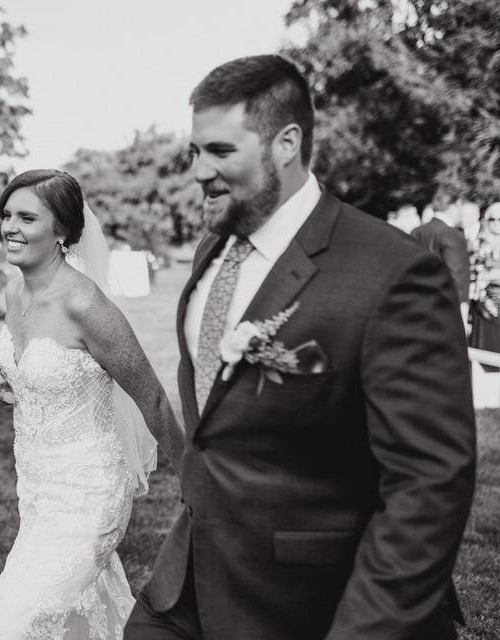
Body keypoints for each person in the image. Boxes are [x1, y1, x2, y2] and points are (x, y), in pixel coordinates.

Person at [125, 54, 477, 640]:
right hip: (186, 584)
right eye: (194, 151)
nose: (198, 171)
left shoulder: (390, 273)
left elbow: (430, 484)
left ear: (286, 143)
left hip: (307, 602)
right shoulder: (215, 248)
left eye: (220, 151)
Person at [0, 169, 185, 639]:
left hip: (89, 493)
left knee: (7, 628)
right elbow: (27, 385)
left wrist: (197, 483)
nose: (10, 227)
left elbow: (155, 400)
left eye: (27, 217)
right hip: (37, 490)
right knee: (85, 614)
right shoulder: (14, 291)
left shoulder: (87, 306)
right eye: (7, 215)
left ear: (63, 230)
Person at [411, 198, 470, 326]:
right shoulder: (452, 234)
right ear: (454, 206)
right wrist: (461, 315)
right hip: (443, 308)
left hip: (416, 303)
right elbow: (456, 277)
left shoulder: (417, 231)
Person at [470, 202, 500, 368]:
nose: (496, 223)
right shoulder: (481, 242)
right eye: (492, 219)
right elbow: (478, 272)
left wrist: (492, 275)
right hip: (485, 307)